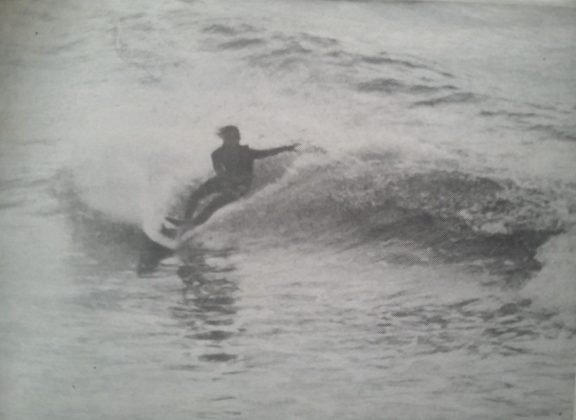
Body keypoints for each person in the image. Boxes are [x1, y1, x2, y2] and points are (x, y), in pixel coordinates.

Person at [179, 125, 299, 227]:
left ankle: (191, 226)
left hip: (241, 186)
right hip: (224, 180)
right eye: (228, 138)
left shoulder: (246, 152)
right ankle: (185, 222)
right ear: (223, 138)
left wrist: (287, 148)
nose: (231, 140)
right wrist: (226, 183)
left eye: (234, 137)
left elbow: (267, 153)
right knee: (196, 195)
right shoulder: (216, 154)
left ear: (238, 138)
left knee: (214, 203)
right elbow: (219, 172)